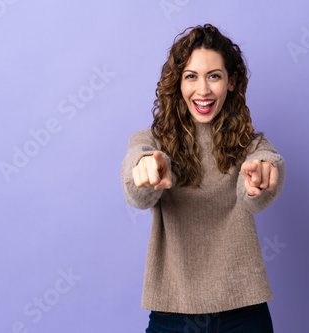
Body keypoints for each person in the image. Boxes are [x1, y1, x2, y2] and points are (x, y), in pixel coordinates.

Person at [121, 24, 285, 333]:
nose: (203, 90)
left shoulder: (250, 145)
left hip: (244, 312)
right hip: (173, 314)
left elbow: (263, 173)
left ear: (231, 81)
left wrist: (261, 176)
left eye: (214, 76)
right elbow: (137, 189)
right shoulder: (151, 142)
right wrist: (146, 171)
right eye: (191, 76)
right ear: (178, 83)